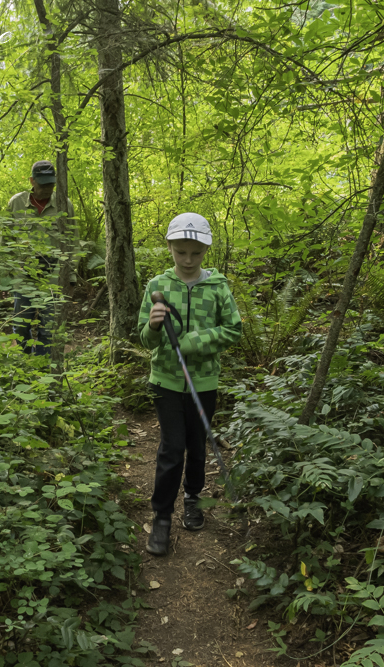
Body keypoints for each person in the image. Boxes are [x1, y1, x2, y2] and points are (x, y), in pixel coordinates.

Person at [137, 212, 242, 556]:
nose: (187, 259)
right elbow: (145, 339)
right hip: (166, 381)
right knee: (172, 447)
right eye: (180, 252)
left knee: (197, 445)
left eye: (195, 253)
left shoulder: (218, 287)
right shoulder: (157, 286)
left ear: (206, 250)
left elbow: (233, 329)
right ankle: (162, 517)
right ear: (169, 247)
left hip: (204, 382)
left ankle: (193, 498)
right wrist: (153, 326)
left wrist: (194, 341)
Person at [6, 160, 76, 355]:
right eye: (43, 184)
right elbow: (5, 241)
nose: (47, 189)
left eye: (51, 184)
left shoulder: (64, 204)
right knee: (21, 325)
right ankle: (25, 361)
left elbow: (73, 242)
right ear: (32, 181)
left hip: (54, 276)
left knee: (49, 327)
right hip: (23, 276)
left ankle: (42, 365)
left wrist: (70, 277)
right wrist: (5, 277)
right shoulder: (16, 203)